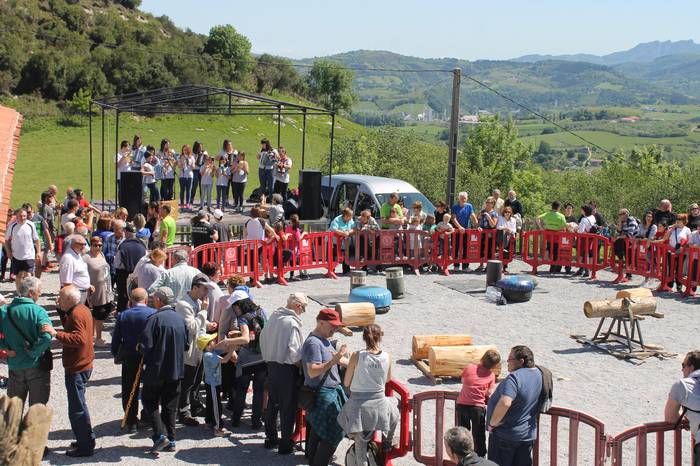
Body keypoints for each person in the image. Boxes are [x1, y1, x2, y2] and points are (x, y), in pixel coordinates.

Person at [43, 285, 96, 457]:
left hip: (77, 367)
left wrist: (55, 333)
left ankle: (85, 446)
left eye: (60, 297)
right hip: (83, 363)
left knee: (77, 408)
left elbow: (79, 339)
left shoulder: (76, 314)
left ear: (68, 299)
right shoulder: (82, 309)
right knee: (79, 404)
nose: (58, 299)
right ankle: (86, 439)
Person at [338, 324, 399, 466]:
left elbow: (346, 383)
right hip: (379, 405)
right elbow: (388, 379)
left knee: (360, 450)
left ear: (364, 338)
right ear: (380, 337)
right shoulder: (387, 356)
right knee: (395, 405)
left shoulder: (356, 355)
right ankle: (388, 440)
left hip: (359, 408)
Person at [138, 287, 188, 455]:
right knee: (170, 405)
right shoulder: (180, 320)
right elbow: (186, 345)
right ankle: (172, 439)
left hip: (157, 370)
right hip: (176, 369)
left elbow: (146, 346)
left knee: (149, 400)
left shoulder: (154, 319)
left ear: (159, 300)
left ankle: (160, 436)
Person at [261, 292, 308, 454]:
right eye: (303, 308)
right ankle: (285, 443)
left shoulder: (275, 316)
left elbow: (262, 338)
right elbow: (295, 353)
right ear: (297, 306)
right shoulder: (291, 323)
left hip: (271, 365)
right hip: (287, 370)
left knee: (272, 404)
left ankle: (270, 437)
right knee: (288, 408)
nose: (303, 312)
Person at [302, 308, 349, 466]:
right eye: (332, 325)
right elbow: (312, 371)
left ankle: (313, 460)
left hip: (329, 392)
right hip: (323, 394)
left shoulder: (324, 339)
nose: (335, 329)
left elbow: (340, 360)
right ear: (321, 322)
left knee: (318, 431)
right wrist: (334, 361)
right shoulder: (313, 343)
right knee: (333, 434)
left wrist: (359, 363)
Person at [0, 277, 52, 409]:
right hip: (36, 365)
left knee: (12, 411)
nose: (40, 294)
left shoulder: (5, 311)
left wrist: (5, 347)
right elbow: (46, 336)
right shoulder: (39, 312)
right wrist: (34, 352)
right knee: (37, 411)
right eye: (39, 291)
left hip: (15, 364)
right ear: (31, 293)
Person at [486, 345, 542, 466]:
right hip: (526, 435)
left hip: (506, 436)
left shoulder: (514, 377)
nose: (507, 361)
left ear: (521, 361)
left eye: (510, 358)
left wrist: (492, 424)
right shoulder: (538, 373)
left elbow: (505, 402)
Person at [111, 288, 156, 433]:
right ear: (146, 299)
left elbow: (116, 339)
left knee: (129, 388)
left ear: (131, 300)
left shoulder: (123, 315)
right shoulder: (153, 314)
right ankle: (149, 415)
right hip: (149, 355)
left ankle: (131, 421)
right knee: (150, 386)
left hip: (130, 355)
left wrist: (116, 354)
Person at [174, 274, 214, 425]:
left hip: (200, 347)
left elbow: (198, 322)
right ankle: (184, 412)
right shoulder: (183, 304)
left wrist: (208, 323)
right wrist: (204, 312)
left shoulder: (196, 301)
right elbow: (192, 327)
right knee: (188, 382)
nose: (206, 293)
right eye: (204, 289)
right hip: (190, 350)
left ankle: (194, 405)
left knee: (197, 380)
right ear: (195, 287)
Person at [225, 296, 268, 430]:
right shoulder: (261, 312)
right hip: (262, 356)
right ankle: (256, 421)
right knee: (259, 391)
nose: (235, 311)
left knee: (241, 389)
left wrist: (227, 342)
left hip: (247, 359)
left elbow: (245, 339)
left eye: (236, 307)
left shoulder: (243, 318)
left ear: (240, 305)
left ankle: (236, 419)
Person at [456, 349, 501, 457]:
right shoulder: (491, 375)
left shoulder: (470, 367)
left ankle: (463, 453)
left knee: (463, 431)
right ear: (494, 366)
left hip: (462, 404)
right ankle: (480, 455)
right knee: (478, 433)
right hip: (477, 407)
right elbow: (489, 392)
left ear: (482, 358)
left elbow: (463, 380)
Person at [664, 350, 700, 466]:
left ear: (691, 368)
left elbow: (670, 417)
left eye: (683, 365)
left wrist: (687, 420)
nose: (682, 370)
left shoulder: (682, 385)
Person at [199, 332, 234, 437]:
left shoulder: (210, 351)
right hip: (214, 384)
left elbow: (221, 349)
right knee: (216, 405)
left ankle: (209, 421)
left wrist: (227, 342)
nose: (215, 341)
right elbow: (224, 360)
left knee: (210, 402)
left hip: (210, 382)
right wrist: (232, 349)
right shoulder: (209, 355)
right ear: (208, 345)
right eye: (213, 341)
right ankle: (218, 427)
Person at [84, 236, 113, 347]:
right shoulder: (86, 258)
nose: (98, 247)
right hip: (93, 291)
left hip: (104, 290)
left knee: (100, 315)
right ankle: (98, 339)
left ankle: (94, 335)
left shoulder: (102, 255)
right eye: (95, 245)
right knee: (98, 315)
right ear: (90, 245)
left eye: (100, 245)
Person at [6, 208, 41, 292]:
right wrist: (8, 252)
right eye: (20, 216)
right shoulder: (12, 226)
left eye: (24, 216)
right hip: (16, 255)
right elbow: (6, 240)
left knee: (28, 275)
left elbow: (36, 239)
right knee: (18, 275)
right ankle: (19, 292)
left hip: (29, 255)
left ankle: (28, 292)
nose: (23, 218)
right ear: (16, 216)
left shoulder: (31, 225)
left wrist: (38, 252)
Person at [114, 225, 147, 312]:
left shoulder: (123, 246)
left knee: (123, 295)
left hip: (124, 274)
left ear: (127, 233)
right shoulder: (143, 245)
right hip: (139, 275)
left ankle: (122, 313)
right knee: (138, 294)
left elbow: (117, 264)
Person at [59, 234, 92, 304]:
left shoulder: (77, 254)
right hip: (74, 294)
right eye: (80, 244)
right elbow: (66, 283)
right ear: (73, 244)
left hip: (81, 292)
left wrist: (87, 285)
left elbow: (79, 274)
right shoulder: (68, 258)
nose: (83, 246)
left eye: (84, 244)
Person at [451, 192, 479, 271]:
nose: (463, 199)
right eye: (461, 198)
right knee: (456, 247)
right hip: (456, 230)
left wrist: (477, 226)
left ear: (467, 198)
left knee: (466, 247)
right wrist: (459, 227)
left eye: (464, 198)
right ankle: (456, 265)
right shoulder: (455, 207)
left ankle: (465, 266)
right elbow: (453, 218)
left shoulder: (469, 206)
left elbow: (473, 216)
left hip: (467, 230)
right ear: (458, 198)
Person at [537, 201, 567, 274]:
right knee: (556, 250)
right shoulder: (561, 216)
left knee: (550, 248)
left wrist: (541, 227)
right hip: (557, 235)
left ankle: (551, 264)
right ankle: (553, 265)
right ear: (559, 207)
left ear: (552, 206)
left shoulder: (547, 214)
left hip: (548, 234)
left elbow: (537, 218)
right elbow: (564, 225)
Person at [663, 213, 691, 292]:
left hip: (682, 252)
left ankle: (679, 287)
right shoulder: (672, 228)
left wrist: (683, 248)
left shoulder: (687, 229)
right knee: (670, 268)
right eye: (677, 219)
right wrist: (672, 228)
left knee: (679, 269)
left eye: (679, 219)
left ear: (684, 221)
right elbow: (665, 238)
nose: (677, 221)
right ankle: (669, 285)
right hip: (671, 251)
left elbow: (689, 241)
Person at [613, 208, 639, 280]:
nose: (620, 216)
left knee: (628, 256)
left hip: (634, 243)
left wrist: (618, 237)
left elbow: (629, 234)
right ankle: (621, 264)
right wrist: (620, 223)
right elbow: (619, 231)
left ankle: (628, 274)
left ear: (626, 214)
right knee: (617, 244)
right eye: (619, 214)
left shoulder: (631, 221)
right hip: (627, 242)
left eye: (622, 214)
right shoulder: (624, 222)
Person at [573, 205, 598, 278]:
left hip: (585, 238)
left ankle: (586, 270)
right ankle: (582, 269)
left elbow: (580, 231)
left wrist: (575, 229)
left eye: (582, 210)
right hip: (591, 238)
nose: (581, 211)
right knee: (585, 253)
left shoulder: (584, 219)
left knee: (583, 253)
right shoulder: (592, 217)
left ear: (584, 211)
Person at [330, 208, 356, 275]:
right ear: (345, 216)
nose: (351, 218)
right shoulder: (337, 219)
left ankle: (346, 270)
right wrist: (343, 233)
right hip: (334, 241)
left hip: (345, 241)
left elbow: (354, 228)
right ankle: (331, 270)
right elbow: (334, 229)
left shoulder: (350, 220)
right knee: (333, 254)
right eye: (350, 216)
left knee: (346, 254)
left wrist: (348, 232)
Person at [476, 197, 499, 273]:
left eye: (490, 203)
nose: (488, 204)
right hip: (482, 234)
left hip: (490, 236)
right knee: (481, 250)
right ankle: (481, 265)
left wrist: (488, 217)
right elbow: (478, 222)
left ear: (493, 204)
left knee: (490, 250)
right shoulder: (482, 211)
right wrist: (478, 227)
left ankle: (488, 266)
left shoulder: (494, 213)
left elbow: (493, 225)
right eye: (487, 202)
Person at [497, 207, 517, 271]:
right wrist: (506, 228)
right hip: (501, 236)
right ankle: (501, 267)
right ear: (503, 212)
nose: (507, 213)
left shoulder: (513, 220)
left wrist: (510, 231)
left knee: (507, 253)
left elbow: (514, 229)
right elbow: (498, 227)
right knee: (503, 252)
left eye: (508, 212)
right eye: (506, 212)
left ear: (511, 213)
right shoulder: (500, 218)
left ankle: (504, 267)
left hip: (510, 237)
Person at [178, 144, 195, 210]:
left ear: (188, 150)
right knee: (182, 190)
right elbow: (179, 166)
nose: (185, 150)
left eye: (186, 149)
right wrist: (182, 162)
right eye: (184, 149)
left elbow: (193, 167)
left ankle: (187, 203)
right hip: (182, 175)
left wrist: (190, 164)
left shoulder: (191, 157)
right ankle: (182, 204)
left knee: (189, 190)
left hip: (190, 175)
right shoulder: (180, 157)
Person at [190, 142, 207, 206]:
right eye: (199, 147)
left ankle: (202, 200)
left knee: (202, 186)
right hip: (195, 171)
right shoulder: (193, 154)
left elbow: (206, 161)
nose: (200, 148)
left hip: (202, 171)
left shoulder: (204, 152)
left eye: (201, 147)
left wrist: (204, 156)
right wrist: (197, 156)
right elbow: (194, 163)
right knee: (194, 186)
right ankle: (191, 199)